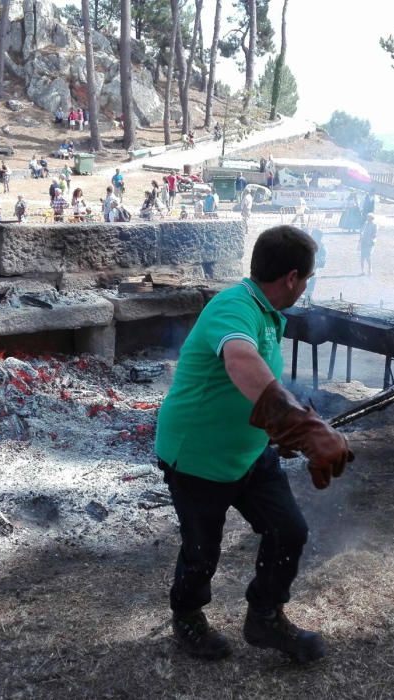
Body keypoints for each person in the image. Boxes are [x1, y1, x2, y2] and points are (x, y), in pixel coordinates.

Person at [155, 225, 352, 664]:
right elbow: (240, 360)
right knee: (202, 549)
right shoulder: (233, 306)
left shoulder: (265, 313)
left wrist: (282, 429)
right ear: (292, 278)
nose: (305, 287)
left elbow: (259, 384)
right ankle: (187, 617)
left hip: (248, 454)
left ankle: (265, 617)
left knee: (289, 530)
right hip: (197, 456)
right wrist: (302, 429)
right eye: (307, 279)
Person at [305, 229, 326, 299]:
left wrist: (316, 262)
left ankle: (308, 297)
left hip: (312, 272)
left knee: (309, 290)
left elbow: (322, 262)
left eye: (315, 236)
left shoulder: (321, 248)